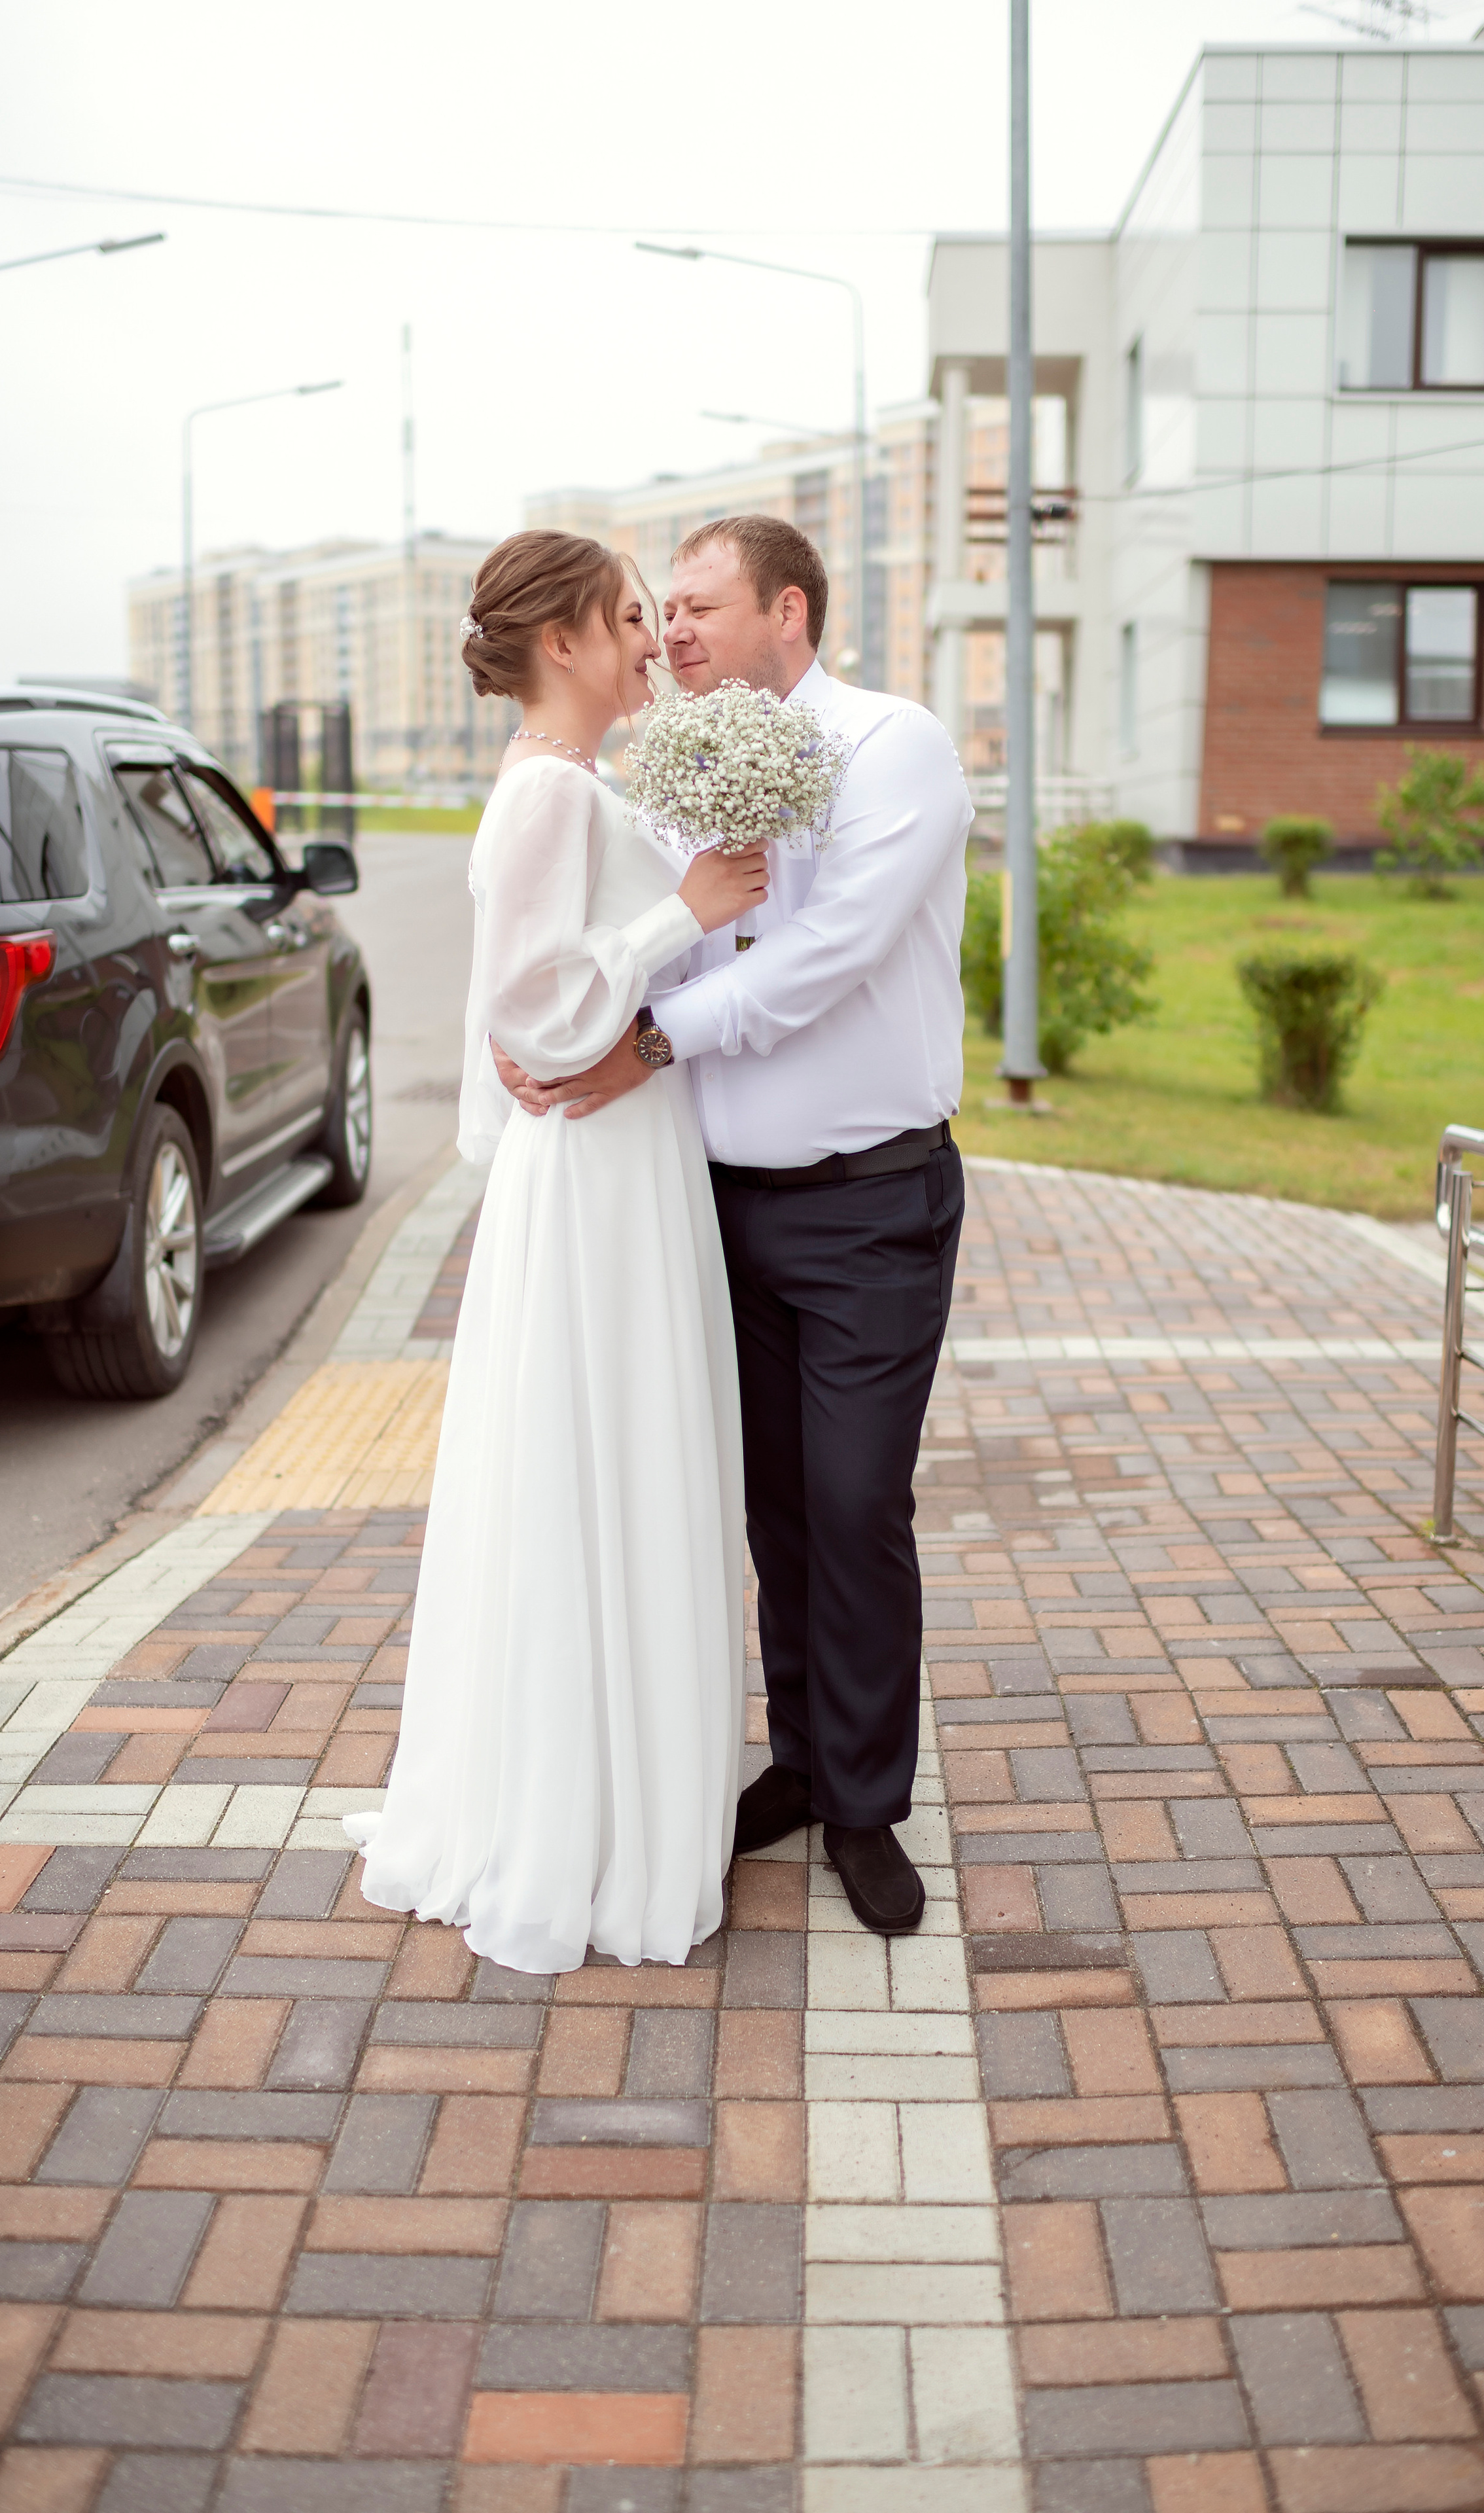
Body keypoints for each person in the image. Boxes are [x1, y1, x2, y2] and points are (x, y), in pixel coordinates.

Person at [497, 516, 971, 1935]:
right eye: (661, 612)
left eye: (699, 607)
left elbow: (826, 956)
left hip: (870, 1202)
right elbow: (618, 929)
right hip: (713, 1213)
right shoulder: (683, 769)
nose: (674, 633)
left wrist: (637, 1049)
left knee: (853, 1503)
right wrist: (564, 1022)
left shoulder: (895, 747)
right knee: (771, 1511)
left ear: (788, 609)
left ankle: (868, 1809)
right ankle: (805, 1764)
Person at [344, 530, 768, 1974]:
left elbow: (536, 1017)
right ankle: (577, 1824)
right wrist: (684, 912)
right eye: (631, 619)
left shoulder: (581, 784)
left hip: (616, 1162)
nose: (653, 640)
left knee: (624, 1458)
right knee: (596, 1465)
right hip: (591, 1172)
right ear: (566, 640)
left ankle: (626, 1799)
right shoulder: (541, 793)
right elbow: (531, 1014)